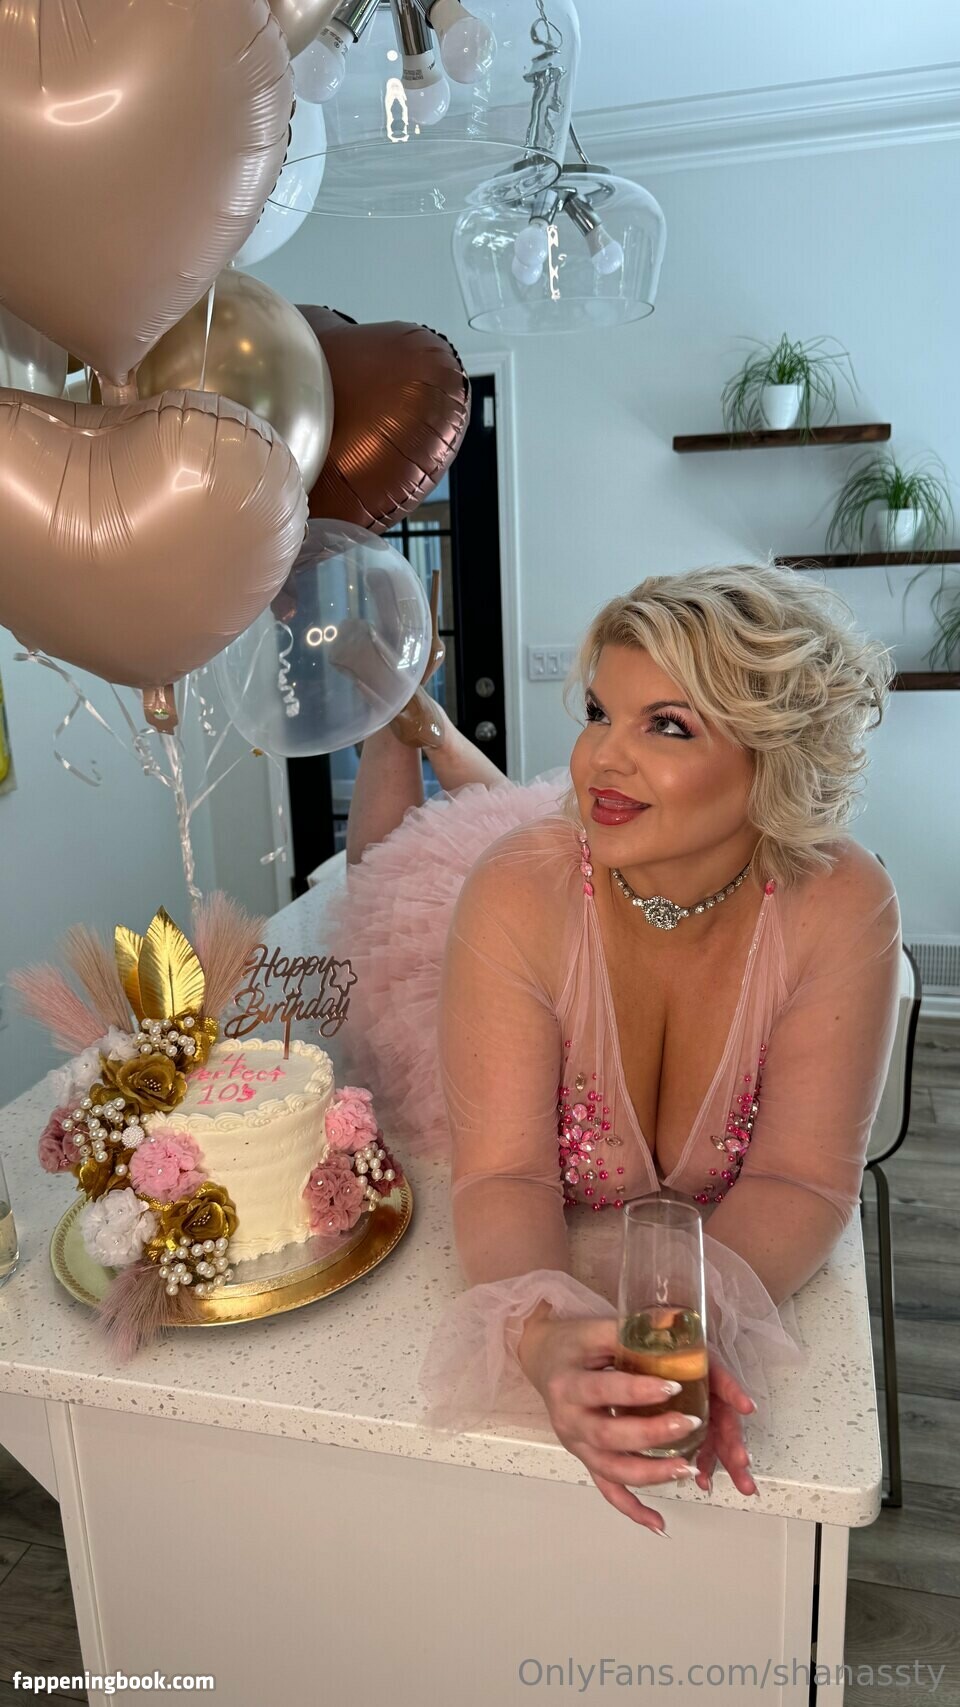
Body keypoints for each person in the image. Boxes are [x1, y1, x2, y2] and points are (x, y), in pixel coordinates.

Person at [328, 561, 903, 1537]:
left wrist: (680, 1334)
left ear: (774, 754)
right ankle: (404, 723)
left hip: (599, 881)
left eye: (666, 725)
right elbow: (505, 1173)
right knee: (384, 870)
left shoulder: (842, 905)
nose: (601, 758)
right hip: (476, 933)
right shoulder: (514, 897)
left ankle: (429, 725)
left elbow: (804, 1178)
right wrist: (544, 1334)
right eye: (599, 712)